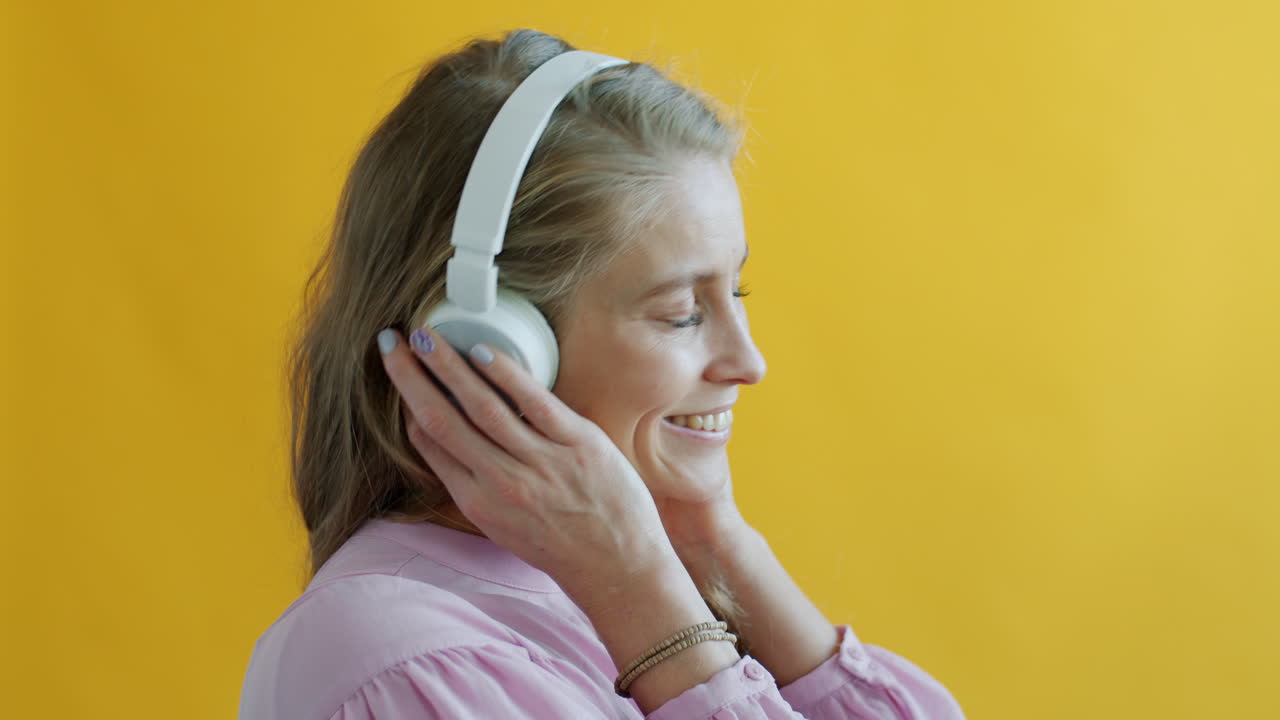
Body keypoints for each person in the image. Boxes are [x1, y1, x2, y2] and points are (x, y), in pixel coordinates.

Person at [239, 28, 965, 719]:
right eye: (683, 310)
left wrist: (716, 543)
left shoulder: (587, 580)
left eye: (734, 292)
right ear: (487, 346)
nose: (749, 362)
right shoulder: (407, 664)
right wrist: (643, 596)